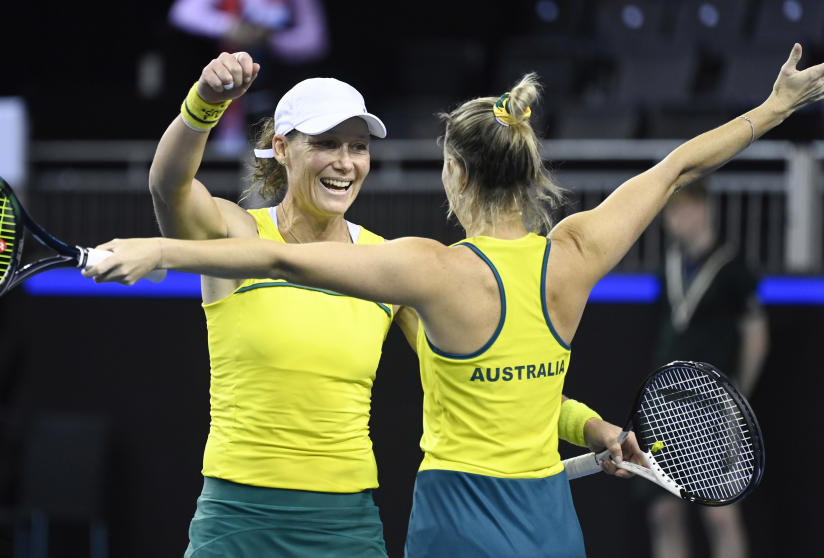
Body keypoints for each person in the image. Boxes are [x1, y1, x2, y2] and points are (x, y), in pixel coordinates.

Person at [111, 50, 652, 557]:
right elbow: (168, 187)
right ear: (280, 148)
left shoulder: (385, 265)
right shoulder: (235, 232)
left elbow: (485, 385)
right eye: (326, 143)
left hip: (347, 525)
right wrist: (205, 101)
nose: (345, 163)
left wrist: (589, 427)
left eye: (358, 147)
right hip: (238, 517)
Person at [644, 178, 770, 558]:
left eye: (682, 211)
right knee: (664, 511)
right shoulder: (666, 265)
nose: (674, 221)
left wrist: (738, 394)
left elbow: (756, 335)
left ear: (704, 210)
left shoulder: (733, 268)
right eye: (670, 214)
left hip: (717, 406)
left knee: (721, 514)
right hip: (666, 405)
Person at [167, 0, 328, 154]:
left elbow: (315, 39)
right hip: (228, 93)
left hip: (278, 85)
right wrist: (231, 27)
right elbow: (182, 12)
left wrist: (271, 39)